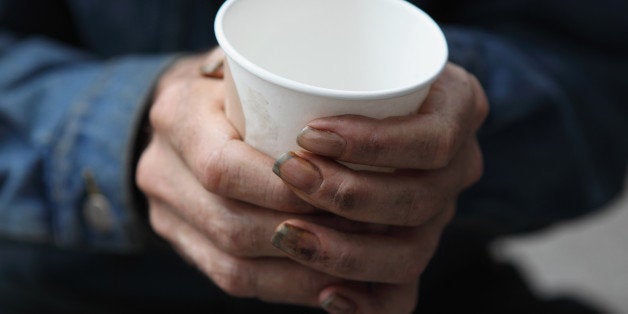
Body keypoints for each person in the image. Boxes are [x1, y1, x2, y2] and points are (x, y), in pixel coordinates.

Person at [0, 0, 626, 313]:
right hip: (64, 281)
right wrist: (127, 131)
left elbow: (601, 89)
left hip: (435, 285)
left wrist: (451, 124)